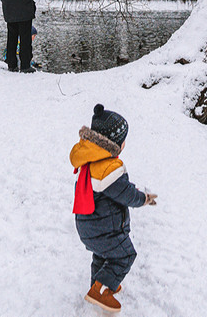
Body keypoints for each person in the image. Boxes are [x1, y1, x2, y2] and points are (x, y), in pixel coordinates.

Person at [70, 104, 157, 313]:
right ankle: (101, 291)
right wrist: (143, 198)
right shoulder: (109, 168)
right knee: (125, 255)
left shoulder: (91, 160)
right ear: (115, 143)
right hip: (105, 228)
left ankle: (97, 283)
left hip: (88, 226)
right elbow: (125, 194)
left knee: (102, 256)